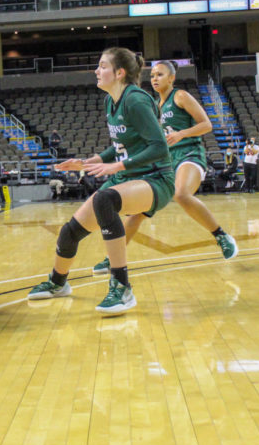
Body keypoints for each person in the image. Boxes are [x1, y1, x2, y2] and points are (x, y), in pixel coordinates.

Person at [27, 47, 176, 315]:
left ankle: (122, 287)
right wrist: (88, 162)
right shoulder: (111, 101)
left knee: (105, 200)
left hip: (156, 179)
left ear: (120, 73)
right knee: (69, 232)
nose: (97, 71)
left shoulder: (136, 101)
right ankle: (58, 282)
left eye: (102, 66)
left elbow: (160, 148)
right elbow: (121, 146)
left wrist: (117, 166)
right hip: (128, 176)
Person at [91, 60, 237, 276]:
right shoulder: (153, 106)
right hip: (165, 162)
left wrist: (181, 134)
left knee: (181, 194)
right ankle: (112, 258)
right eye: (152, 76)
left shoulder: (181, 96)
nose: (155, 79)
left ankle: (221, 236)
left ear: (171, 78)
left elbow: (207, 124)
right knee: (138, 213)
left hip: (189, 154)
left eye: (160, 75)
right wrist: (102, 158)